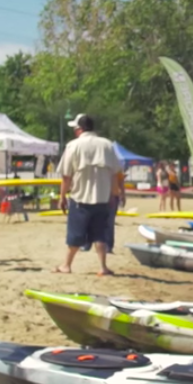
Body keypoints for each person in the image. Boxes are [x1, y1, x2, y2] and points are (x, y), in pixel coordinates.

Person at [53, 113, 122, 276]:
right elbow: (114, 173)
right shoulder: (107, 145)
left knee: (75, 234)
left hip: (80, 197)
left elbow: (66, 175)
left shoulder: (73, 146)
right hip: (102, 198)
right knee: (100, 234)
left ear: (79, 129)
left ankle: (66, 265)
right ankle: (103, 267)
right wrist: (113, 195)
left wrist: (62, 197)